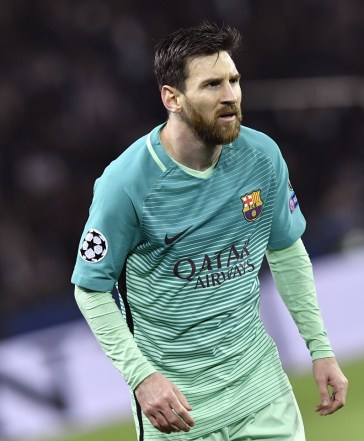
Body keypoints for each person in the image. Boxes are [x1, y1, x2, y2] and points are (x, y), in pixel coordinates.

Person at [71, 22, 348, 441]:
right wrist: (141, 377)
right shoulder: (126, 183)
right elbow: (90, 289)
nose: (230, 96)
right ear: (173, 98)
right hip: (180, 415)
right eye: (212, 84)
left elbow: (287, 252)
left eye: (234, 81)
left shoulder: (261, 157)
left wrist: (320, 347)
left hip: (261, 393)